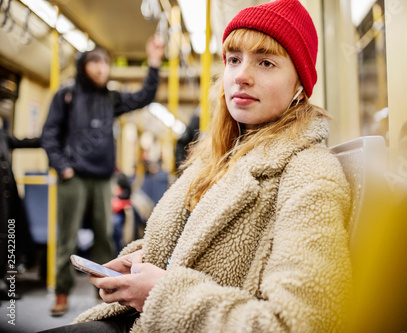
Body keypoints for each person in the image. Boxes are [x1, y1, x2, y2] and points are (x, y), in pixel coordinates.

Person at [41, 0, 352, 331]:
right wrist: (147, 259)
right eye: (233, 59)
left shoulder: (312, 174)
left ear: (300, 85)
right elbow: (202, 248)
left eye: (265, 62)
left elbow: (298, 323)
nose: (241, 76)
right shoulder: (217, 158)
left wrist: (161, 292)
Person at [40, 35, 164, 316]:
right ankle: (61, 293)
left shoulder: (110, 98)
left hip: (102, 177)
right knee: (68, 238)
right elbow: (49, 135)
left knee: (104, 237)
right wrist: (63, 168)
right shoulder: (67, 94)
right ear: (84, 66)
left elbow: (144, 96)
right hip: (73, 177)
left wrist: (154, 62)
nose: (101, 68)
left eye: (105, 63)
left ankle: (106, 293)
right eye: (95, 62)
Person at [0, 119, 39, 300]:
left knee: (6, 238)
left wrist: (49, 136)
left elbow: (22, 142)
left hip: (6, 197)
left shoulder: (2, 135)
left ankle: (2, 282)